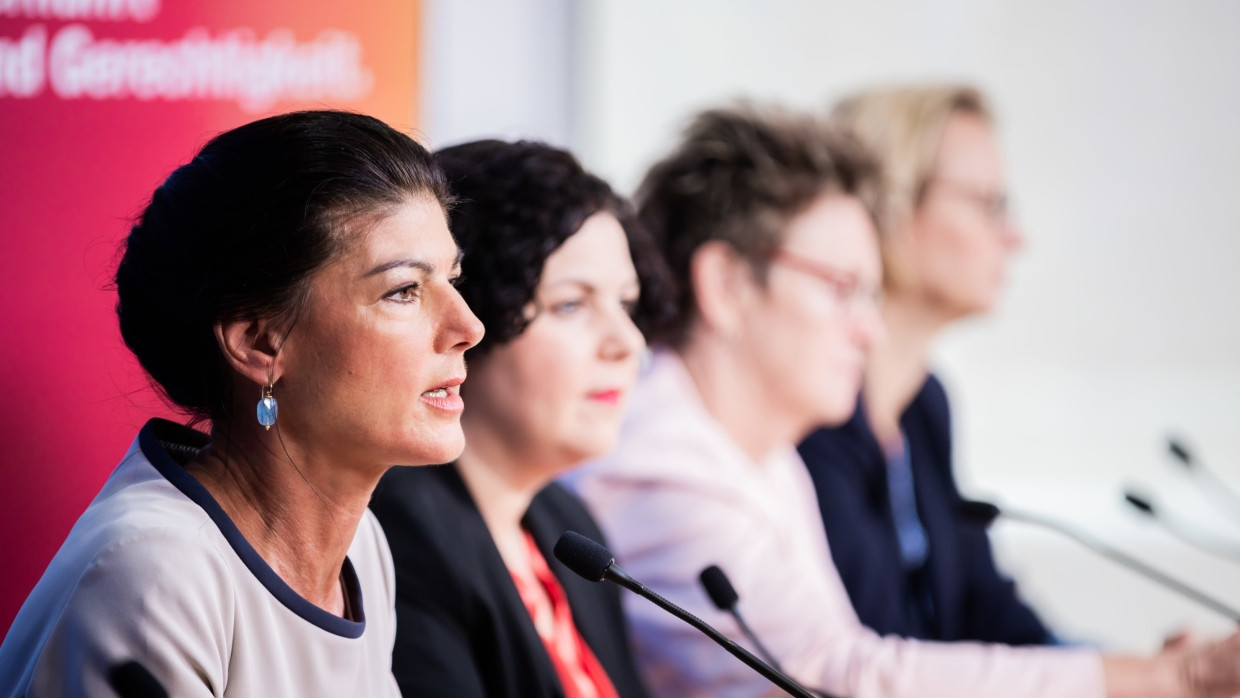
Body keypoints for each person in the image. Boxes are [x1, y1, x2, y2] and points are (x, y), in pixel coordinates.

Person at [566, 103, 1240, 698]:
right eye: (842, 288)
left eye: (872, 295)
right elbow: (832, 676)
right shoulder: (656, 456)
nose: (871, 328)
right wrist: (1166, 679)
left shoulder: (760, 452)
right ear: (727, 285)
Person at [0, 110, 484, 696]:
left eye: (451, 281)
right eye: (403, 291)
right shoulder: (154, 569)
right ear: (259, 342)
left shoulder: (363, 547)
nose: (468, 326)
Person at [369, 139, 669, 698]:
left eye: (626, 305)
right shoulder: (401, 529)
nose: (626, 342)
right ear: (471, 316)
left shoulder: (567, 522)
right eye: (571, 305)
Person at [796, 85, 1052, 645]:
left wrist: (1143, 674)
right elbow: (868, 659)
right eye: (989, 204)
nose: (1014, 237)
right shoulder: (809, 415)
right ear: (892, 203)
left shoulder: (924, 405)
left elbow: (986, 608)